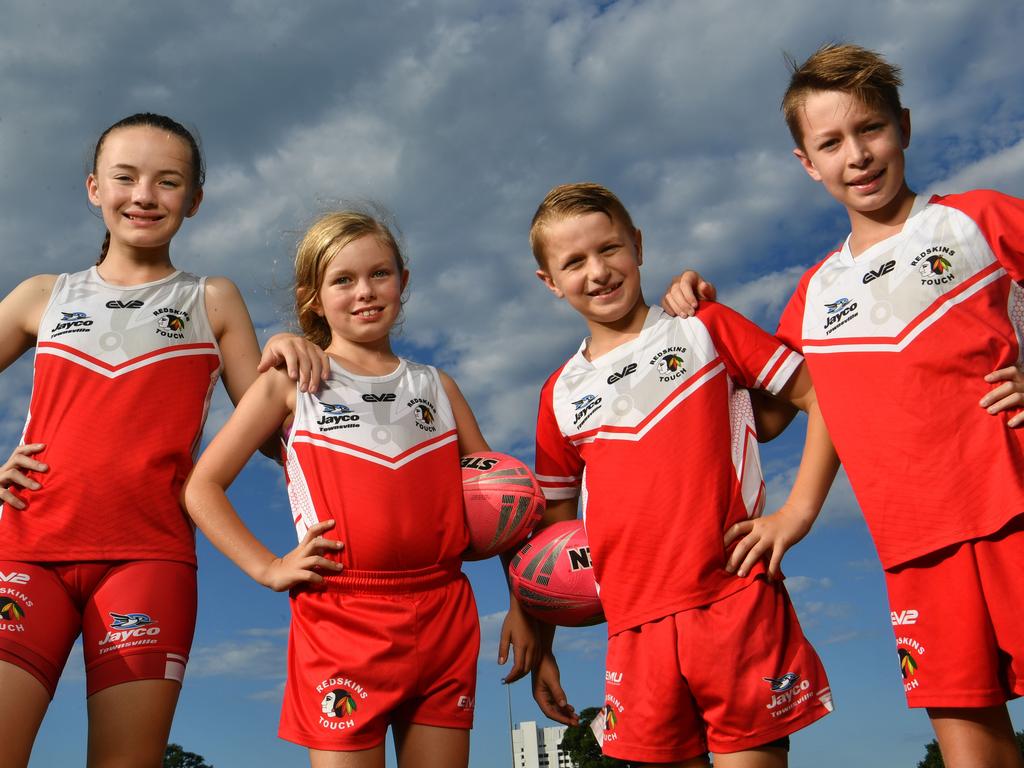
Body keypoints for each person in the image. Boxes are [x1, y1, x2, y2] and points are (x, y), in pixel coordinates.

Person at [665, 43, 1024, 768]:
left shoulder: (979, 219)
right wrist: (704, 320)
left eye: (871, 130)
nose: (857, 155)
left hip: (1015, 506)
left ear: (905, 128)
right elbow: (770, 415)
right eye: (831, 143)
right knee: (972, 748)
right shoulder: (816, 293)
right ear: (807, 162)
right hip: (914, 546)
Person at [0, 112, 326, 768]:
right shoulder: (44, 295)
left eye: (168, 181)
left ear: (194, 200)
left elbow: (267, 434)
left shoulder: (213, 299)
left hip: (148, 561)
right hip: (26, 550)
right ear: (95, 188)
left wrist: (300, 353)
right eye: (125, 177)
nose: (144, 195)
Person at [522, 182, 838, 767]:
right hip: (633, 629)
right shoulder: (558, 396)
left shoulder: (703, 327)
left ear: (638, 245)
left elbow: (822, 396)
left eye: (609, 248)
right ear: (549, 281)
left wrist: (796, 514)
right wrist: (544, 641)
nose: (598, 271)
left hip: (734, 601)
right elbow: (556, 537)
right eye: (573, 262)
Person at [183, 210, 498, 768]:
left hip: (444, 611)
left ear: (405, 279)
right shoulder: (290, 381)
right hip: (341, 615)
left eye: (380, 274)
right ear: (313, 296)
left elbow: (500, 498)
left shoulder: (437, 386)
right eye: (343, 280)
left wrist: (527, 606)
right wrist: (268, 567)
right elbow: (202, 486)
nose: (365, 292)